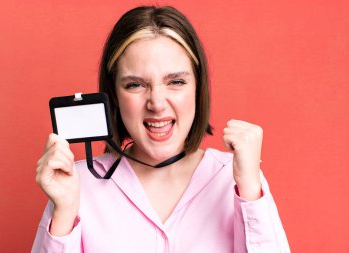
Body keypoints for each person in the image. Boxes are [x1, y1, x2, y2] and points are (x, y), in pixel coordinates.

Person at [32, 6, 290, 253]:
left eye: (176, 81)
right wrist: (64, 214)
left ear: (198, 88)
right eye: (135, 85)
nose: (156, 103)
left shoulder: (237, 179)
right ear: (113, 95)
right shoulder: (77, 186)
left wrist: (250, 193)